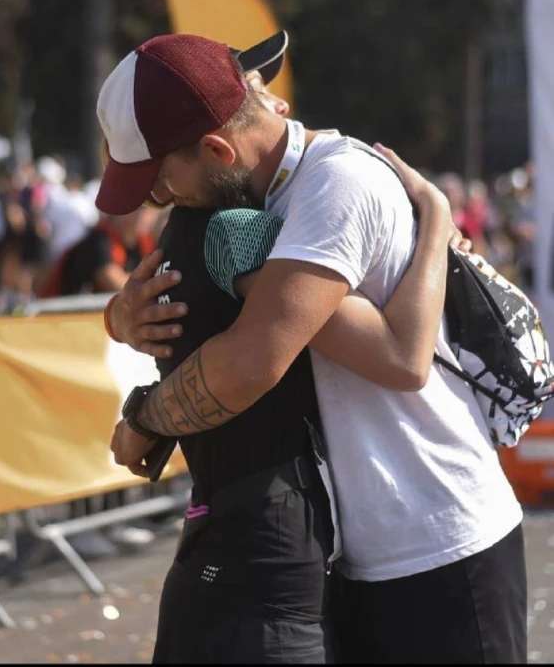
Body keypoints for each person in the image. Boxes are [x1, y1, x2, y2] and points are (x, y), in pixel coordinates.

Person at [98, 32, 526, 663]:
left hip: (440, 543)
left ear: (217, 148)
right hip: (362, 555)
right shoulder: (249, 198)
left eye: (161, 182)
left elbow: (263, 363)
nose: (162, 202)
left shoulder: (334, 187)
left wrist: (142, 419)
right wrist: (120, 317)